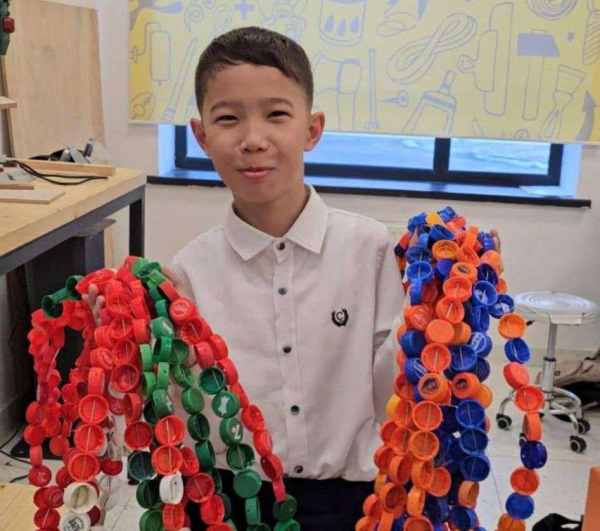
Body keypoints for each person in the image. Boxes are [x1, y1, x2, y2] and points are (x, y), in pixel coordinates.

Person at [85, 26, 500, 530]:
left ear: (312, 129)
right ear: (201, 136)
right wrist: (132, 347)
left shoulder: (369, 250)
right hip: (231, 500)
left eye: (276, 114)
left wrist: (444, 310)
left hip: (354, 501)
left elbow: (396, 389)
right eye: (228, 118)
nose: (253, 140)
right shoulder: (188, 273)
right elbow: (178, 409)